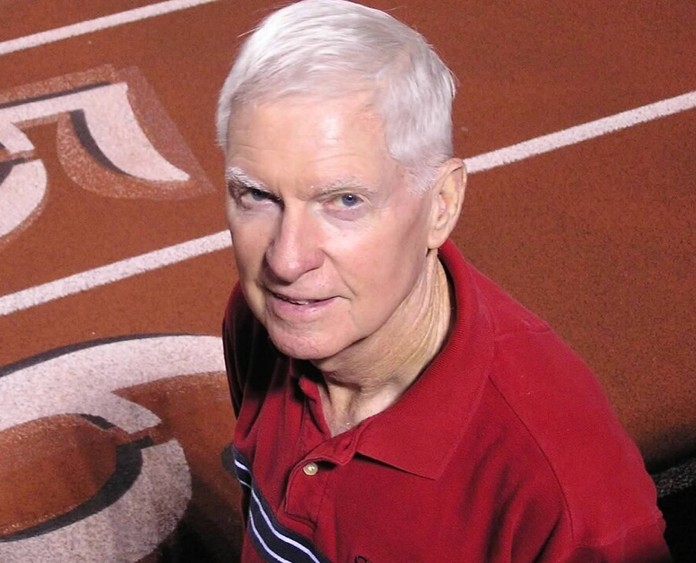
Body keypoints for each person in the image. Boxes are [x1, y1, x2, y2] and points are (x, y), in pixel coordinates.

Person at [216, 1, 670, 561]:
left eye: (345, 201)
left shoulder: (563, 493)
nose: (286, 262)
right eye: (256, 195)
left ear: (442, 205)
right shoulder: (266, 319)